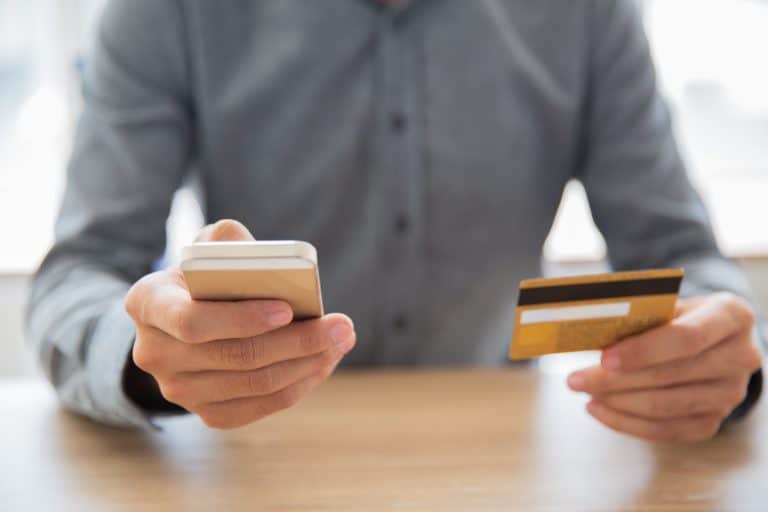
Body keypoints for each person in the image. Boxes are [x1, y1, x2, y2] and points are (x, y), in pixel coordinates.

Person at [27, 0, 763, 442]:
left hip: (502, 468)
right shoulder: (167, 12)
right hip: (259, 465)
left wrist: (722, 354)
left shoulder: (587, 13)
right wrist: (147, 360)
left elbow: (682, 257)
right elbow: (78, 275)